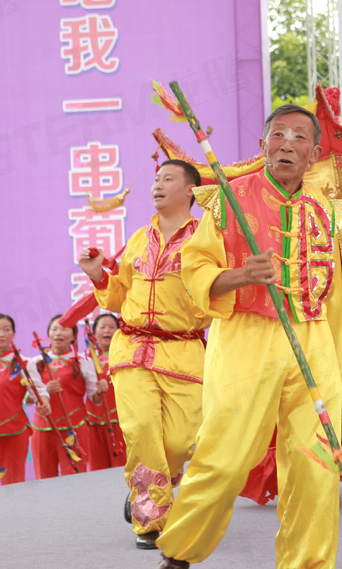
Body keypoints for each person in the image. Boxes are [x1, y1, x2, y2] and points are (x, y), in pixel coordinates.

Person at [156, 104, 342, 569]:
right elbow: (194, 268)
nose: (287, 143)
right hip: (245, 338)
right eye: (277, 134)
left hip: (313, 343)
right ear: (262, 145)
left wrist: (335, 368)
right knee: (224, 459)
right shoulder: (228, 198)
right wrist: (239, 276)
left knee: (317, 466)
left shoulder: (326, 210)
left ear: (314, 153)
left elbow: (333, 295)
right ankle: (179, 553)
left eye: (299, 137)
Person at [80, 159, 210, 550]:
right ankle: (150, 519)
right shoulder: (138, 238)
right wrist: (98, 273)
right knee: (141, 433)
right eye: (155, 179)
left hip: (184, 350)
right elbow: (118, 297)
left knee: (181, 442)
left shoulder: (208, 237)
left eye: (167, 179)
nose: (157, 185)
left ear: (189, 190)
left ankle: (149, 487)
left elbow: (218, 292)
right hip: (132, 348)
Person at [26, 315, 101, 479]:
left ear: (74, 335)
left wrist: (101, 391)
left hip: (73, 428)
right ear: (48, 334)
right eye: (54, 329)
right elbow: (28, 399)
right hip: (44, 428)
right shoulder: (36, 362)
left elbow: (95, 398)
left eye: (65, 329)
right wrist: (44, 390)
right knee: (44, 479)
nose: (58, 333)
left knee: (76, 477)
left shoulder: (83, 361)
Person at [84, 313, 126, 471]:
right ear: (94, 333)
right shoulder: (85, 359)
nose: (106, 330)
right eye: (102, 327)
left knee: (123, 468)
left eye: (111, 327)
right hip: (94, 421)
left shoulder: (126, 355)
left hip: (122, 420)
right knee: (97, 470)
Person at [0, 313, 31, 484]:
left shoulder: (23, 363)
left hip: (14, 430)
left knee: (13, 483)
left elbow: (36, 393)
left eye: (6, 329)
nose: (1, 334)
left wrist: (42, 399)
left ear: (13, 333)